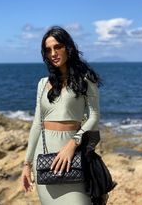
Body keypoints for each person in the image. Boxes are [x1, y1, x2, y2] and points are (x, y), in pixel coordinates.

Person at [21, 26, 102, 204]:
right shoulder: (42, 83)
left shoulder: (86, 80)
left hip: (73, 154)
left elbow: (94, 117)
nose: (53, 53)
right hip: (43, 158)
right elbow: (37, 124)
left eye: (57, 47)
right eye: (48, 50)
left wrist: (73, 144)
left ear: (68, 47)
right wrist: (27, 164)